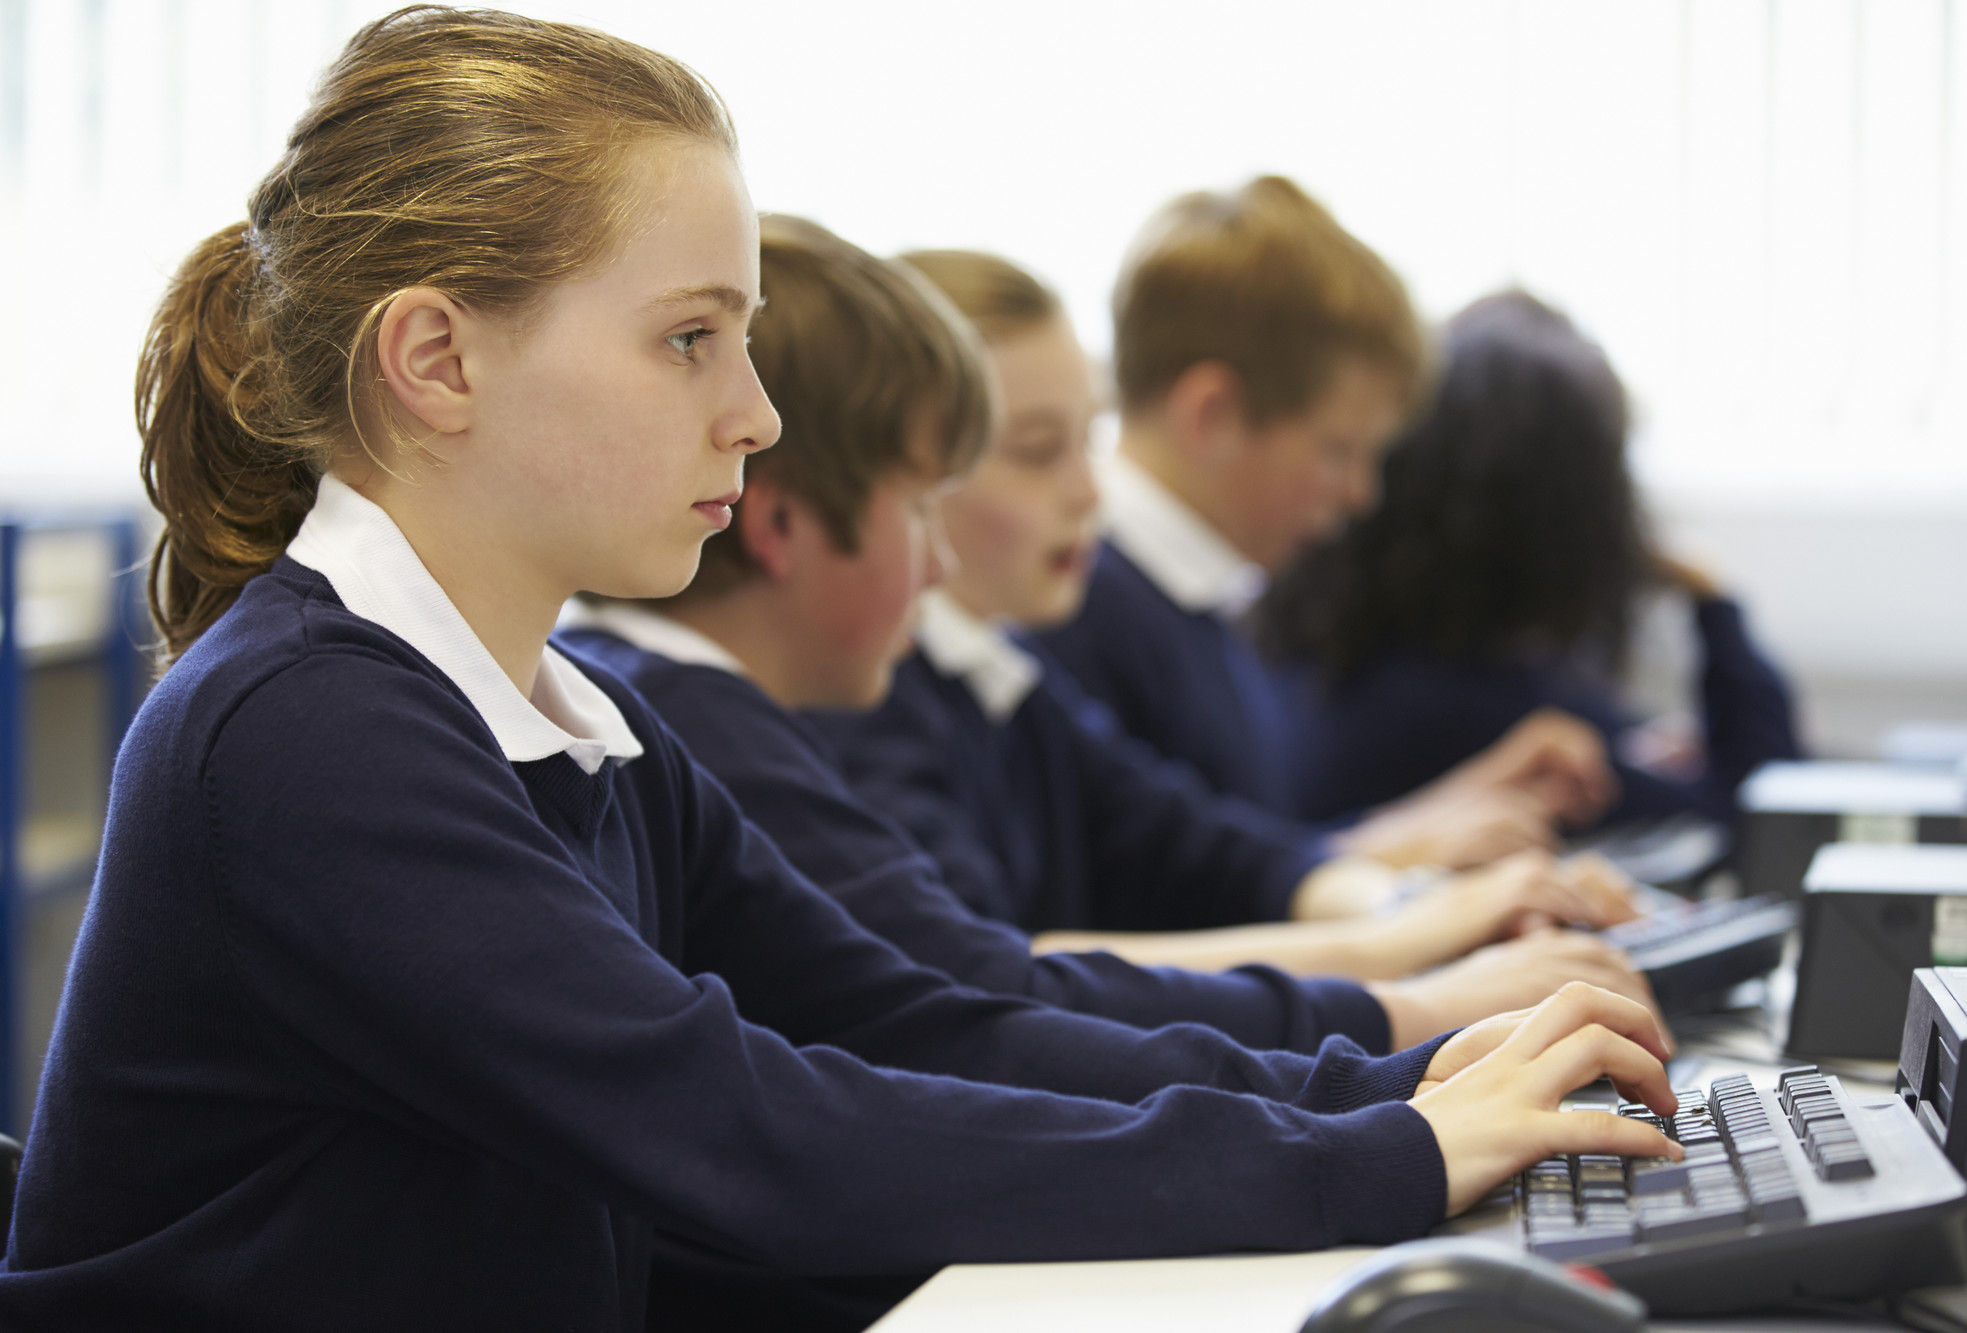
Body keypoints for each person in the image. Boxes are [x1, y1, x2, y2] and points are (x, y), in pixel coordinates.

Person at [0, 13, 1681, 1331]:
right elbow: (743, 1123)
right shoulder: (301, 732)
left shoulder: (589, 722)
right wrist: (1369, 1155)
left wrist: (1395, 1085)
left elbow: (928, 1004)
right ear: (439, 357)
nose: (756, 411)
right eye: (688, 337)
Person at [563, 219, 1651, 1065]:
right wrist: (1401, 1010)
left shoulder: (935, 685)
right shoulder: (716, 723)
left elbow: (1188, 854)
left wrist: (1409, 945)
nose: (936, 565)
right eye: (930, 497)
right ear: (782, 520)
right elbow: (985, 1003)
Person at [1033, 178, 1616, 843]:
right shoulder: (1078, 610)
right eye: (1339, 451)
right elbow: (1172, 921)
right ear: (1213, 416)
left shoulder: (1196, 601)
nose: (1361, 495)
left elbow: (1241, 868)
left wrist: (1443, 816)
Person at [1258, 290, 1805, 828]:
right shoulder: (1488, 707)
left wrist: (1632, 745)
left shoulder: (1327, 663)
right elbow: (1763, 805)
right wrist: (1714, 597)